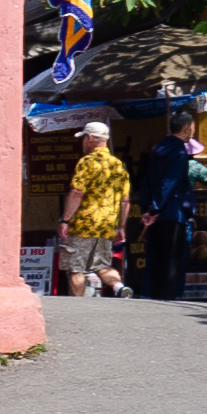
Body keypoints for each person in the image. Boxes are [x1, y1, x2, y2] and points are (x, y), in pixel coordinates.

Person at [129, 119, 206, 298]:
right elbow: (170, 182)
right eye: (192, 128)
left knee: (155, 258)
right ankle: (169, 295)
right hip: (174, 212)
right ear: (186, 128)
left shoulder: (157, 149)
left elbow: (148, 181)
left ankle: (150, 294)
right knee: (173, 260)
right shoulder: (179, 152)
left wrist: (148, 209)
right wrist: (156, 207)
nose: (192, 133)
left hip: (155, 212)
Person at [53, 120, 126, 296]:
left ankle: (80, 305)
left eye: (84, 138)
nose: (84, 142)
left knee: (75, 268)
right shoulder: (118, 166)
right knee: (102, 266)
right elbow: (125, 200)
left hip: (84, 225)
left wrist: (65, 220)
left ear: (90, 138)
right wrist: (121, 226)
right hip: (107, 225)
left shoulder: (87, 162)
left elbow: (77, 192)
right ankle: (120, 288)